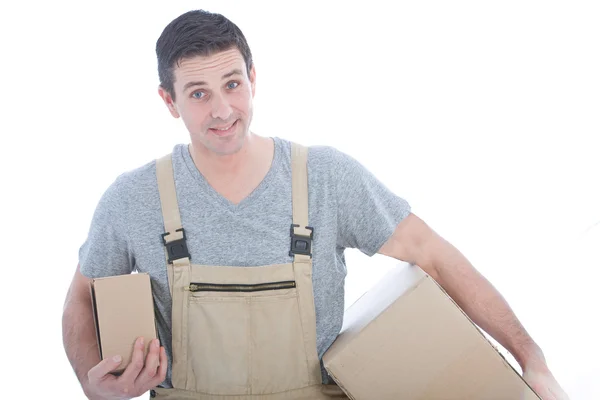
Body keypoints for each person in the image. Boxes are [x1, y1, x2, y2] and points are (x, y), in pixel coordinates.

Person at [62, 9, 570, 400]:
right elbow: (81, 298)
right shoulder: (132, 199)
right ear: (168, 101)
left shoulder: (324, 178)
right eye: (197, 93)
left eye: (232, 84)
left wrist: (531, 356)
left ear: (253, 78)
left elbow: (432, 254)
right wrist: (93, 383)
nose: (222, 110)